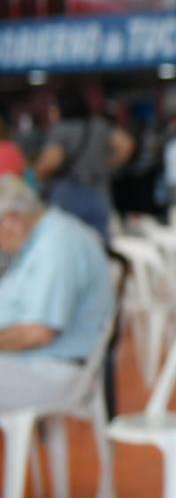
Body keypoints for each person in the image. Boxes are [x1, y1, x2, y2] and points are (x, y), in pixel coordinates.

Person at [0, 176, 114, 411]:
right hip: (26, 363)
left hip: (50, 368)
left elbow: (38, 333)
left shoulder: (57, 243)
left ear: (12, 219)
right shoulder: (38, 238)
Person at [33, 89, 134, 239]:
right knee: (99, 241)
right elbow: (126, 144)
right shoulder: (99, 125)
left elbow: (50, 162)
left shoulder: (61, 128)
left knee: (68, 241)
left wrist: (38, 175)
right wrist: (108, 165)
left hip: (69, 193)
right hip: (99, 191)